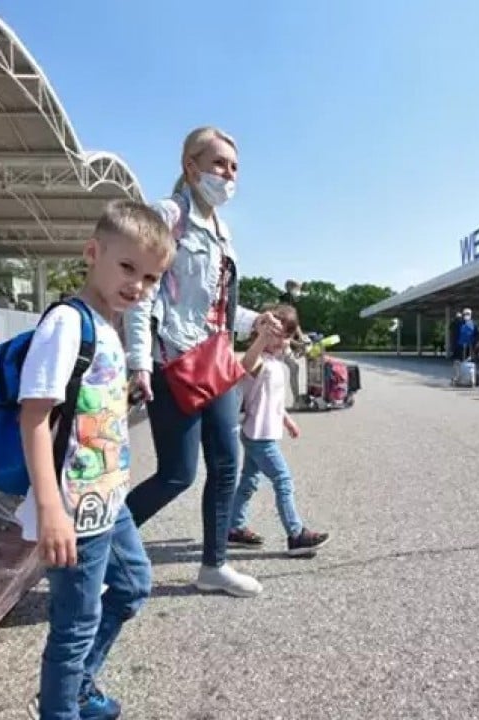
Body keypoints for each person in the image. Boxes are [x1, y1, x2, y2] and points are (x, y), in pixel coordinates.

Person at [17, 200, 174, 720]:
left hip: (109, 499)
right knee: (75, 625)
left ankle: (77, 689)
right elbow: (33, 417)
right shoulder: (68, 323)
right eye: (128, 267)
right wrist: (50, 510)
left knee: (132, 586)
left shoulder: (110, 326)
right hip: (72, 506)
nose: (138, 285)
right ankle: (61, 707)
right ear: (93, 253)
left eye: (151, 278)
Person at [124, 126, 282, 599]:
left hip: (214, 361)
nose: (228, 175)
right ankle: (96, 540)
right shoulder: (168, 215)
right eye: (218, 164)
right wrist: (139, 362)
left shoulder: (222, 231)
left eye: (234, 167)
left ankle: (214, 566)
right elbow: (143, 294)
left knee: (227, 463)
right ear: (190, 167)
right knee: (177, 474)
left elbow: (214, 304)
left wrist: (256, 320)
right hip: (174, 360)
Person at [227, 304, 331, 557]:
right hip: (259, 436)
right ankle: (296, 534)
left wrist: (287, 420)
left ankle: (234, 527)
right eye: (279, 334)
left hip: (262, 433)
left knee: (249, 482)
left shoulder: (275, 362)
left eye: (287, 335)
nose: (284, 341)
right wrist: (263, 337)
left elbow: (271, 400)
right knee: (283, 480)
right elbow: (245, 364)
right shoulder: (259, 359)